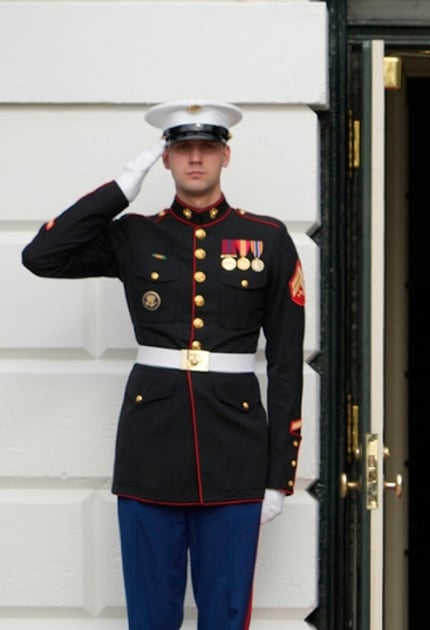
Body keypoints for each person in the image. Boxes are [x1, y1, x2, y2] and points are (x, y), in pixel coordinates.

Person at [21, 100, 305, 629]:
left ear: (226, 155)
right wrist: (121, 188)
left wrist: (278, 476)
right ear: (167, 160)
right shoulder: (135, 235)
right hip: (150, 447)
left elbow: (286, 364)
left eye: (206, 148)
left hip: (236, 452)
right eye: (181, 149)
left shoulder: (267, 240)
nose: (195, 159)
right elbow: (42, 255)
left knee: (224, 615)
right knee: (151, 617)